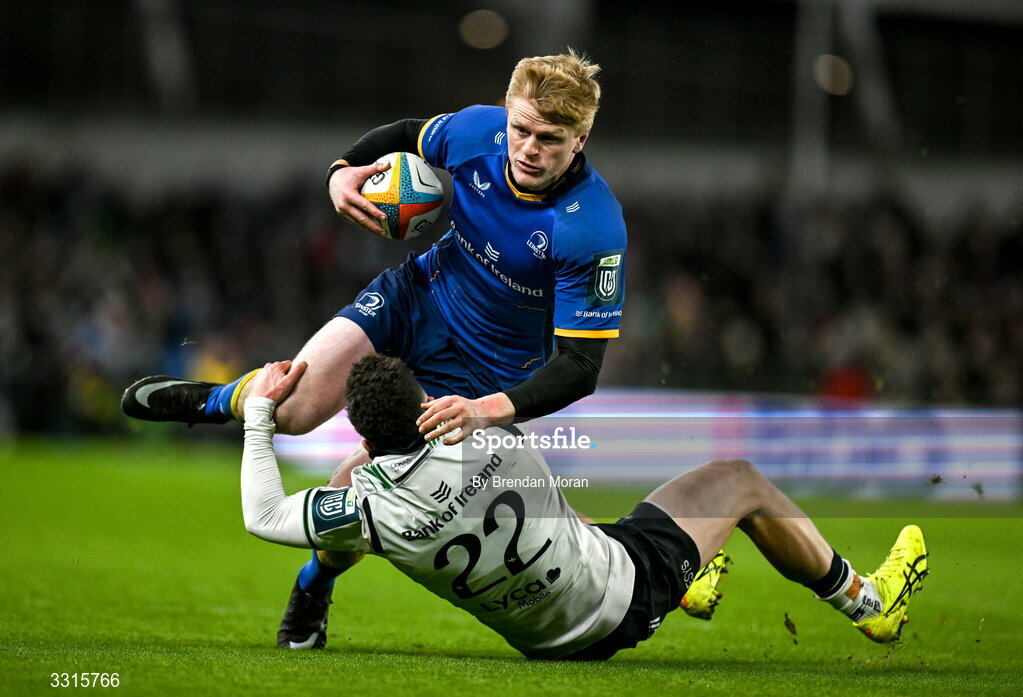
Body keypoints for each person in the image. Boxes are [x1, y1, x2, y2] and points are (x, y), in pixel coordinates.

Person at [121, 50, 628, 648]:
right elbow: (405, 135)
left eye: (551, 138)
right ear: (506, 114)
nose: (528, 148)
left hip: (480, 377)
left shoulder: (592, 228)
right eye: (520, 128)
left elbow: (579, 368)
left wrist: (489, 408)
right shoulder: (475, 132)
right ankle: (213, 401)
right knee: (291, 412)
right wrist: (342, 171)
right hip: (416, 299)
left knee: (347, 495)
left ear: (581, 136)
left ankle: (314, 584)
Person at [237, 356, 929, 659]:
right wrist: (471, 411)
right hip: (619, 597)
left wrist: (261, 411)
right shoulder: (492, 437)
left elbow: (265, 514)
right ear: (425, 407)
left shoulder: (365, 510)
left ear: (362, 435)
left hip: (542, 639)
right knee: (738, 477)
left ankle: (308, 600)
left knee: (344, 513)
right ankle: (868, 601)